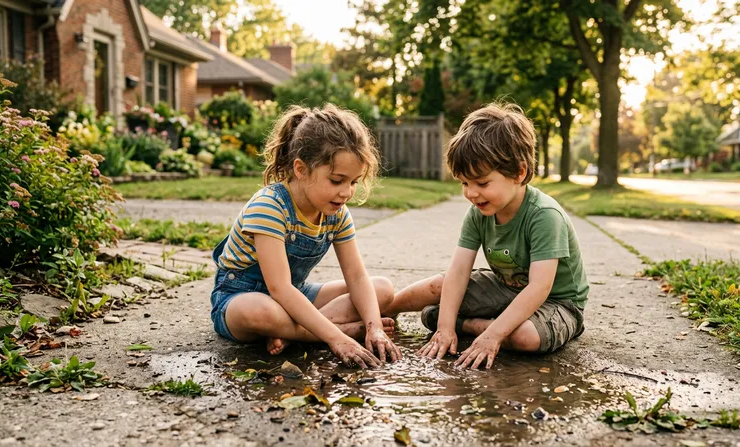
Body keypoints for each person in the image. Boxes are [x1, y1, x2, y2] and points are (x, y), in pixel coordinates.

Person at [383, 103, 588, 369]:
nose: (471, 193)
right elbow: (457, 272)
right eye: (464, 183)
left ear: (519, 172)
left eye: (481, 183)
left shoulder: (544, 216)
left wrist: (492, 335)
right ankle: (387, 309)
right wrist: (444, 328)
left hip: (557, 302)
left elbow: (539, 288)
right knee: (438, 289)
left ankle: (477, 325)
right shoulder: (479, 212)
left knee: (525, 337)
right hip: (506, 287)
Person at [210, 104, 402, 368]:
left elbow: (356, 277)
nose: (346, 192)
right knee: (258, 310)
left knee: (381, 288)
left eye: (354, 182)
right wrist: (338, 339)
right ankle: (330, 332)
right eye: (337, 180)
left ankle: (294, 334)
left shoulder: (337, 213)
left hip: (296, 296)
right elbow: (279, 288)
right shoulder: (269, 206)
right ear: (301, 169)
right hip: (239, 297)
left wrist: (373, 328)